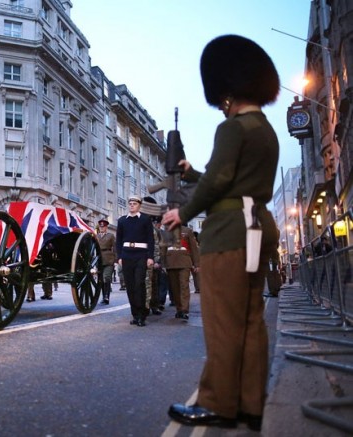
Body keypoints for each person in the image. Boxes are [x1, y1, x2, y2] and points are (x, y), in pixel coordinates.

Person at [162, 35, 280, 431]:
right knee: (250, 318)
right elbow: (228, 177)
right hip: (256, 226)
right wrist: (194, 172)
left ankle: (217, 403)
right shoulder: (264, 129)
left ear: (225, 90)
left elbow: (219, 183)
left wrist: (184, 210)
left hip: (229, 231)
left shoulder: (229, 128)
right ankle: (250, 403)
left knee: (222, 320)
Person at [115, 195, 154, 326]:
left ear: (139, 205)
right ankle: (135, 315)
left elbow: (150, 239)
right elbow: (118, 240)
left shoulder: (145, 219)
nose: (132, 205)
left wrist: (150, 257)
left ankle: (142, 315)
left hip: (141, 255)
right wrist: (119, 257)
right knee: (130, 286)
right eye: (130, 203)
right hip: (127, 256)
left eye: (134, 203)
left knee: (139, 284)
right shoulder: (122, 221)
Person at [162, 225, 199, 320]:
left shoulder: (187, 231)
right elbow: (163, 249)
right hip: (171, 262)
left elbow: (193, 247)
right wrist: (163, 264)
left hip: (184, 261)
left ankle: (184, 310)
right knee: (175, 288)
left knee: (184, 285)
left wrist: (196, 264)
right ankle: (179, 309)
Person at [97, 218, 116, 305]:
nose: (102, 228)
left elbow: (115, 247)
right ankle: (103, 296)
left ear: (106, 227)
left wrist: (116, 259)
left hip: (108, 259)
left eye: (103, 227)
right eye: (100, 227)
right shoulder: (96, 236)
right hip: (98, 259)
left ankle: (106, 297)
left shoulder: (110, 236)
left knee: (106, 278)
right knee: (101, 279)